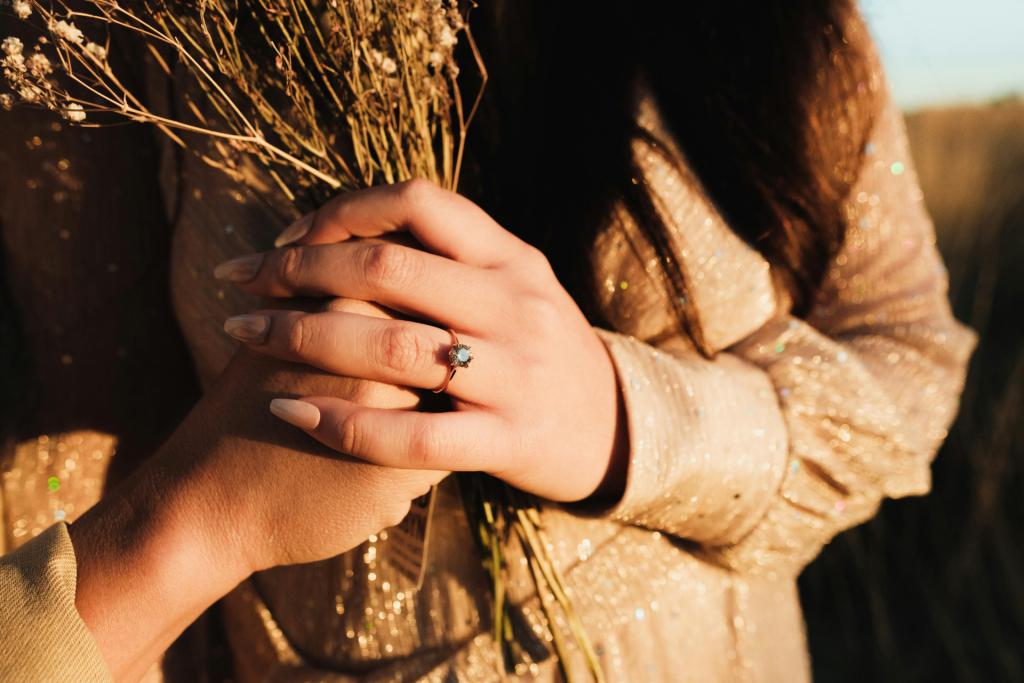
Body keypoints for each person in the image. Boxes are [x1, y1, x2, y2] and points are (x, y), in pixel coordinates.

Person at [0, 1, 975, 681]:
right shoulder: (120, 31)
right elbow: (75, 465)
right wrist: (213, 498)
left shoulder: (777, 23)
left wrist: (627, 418)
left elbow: (909, 350)